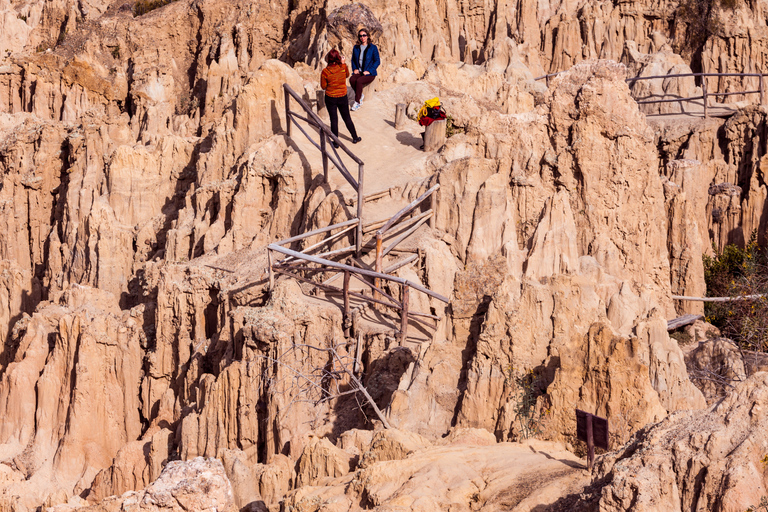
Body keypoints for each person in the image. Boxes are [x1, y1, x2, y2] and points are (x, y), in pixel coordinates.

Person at [321, 48, 361, 146]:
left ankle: (336, 142)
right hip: (342, 96)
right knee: (347, 118)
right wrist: (343, 63)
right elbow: (347, 75)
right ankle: (355, 137)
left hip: (330, 97)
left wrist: (331, 84)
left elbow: (323, 86)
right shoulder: (343, 68)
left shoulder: (325, 71)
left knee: (334, 120)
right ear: (338, 58)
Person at [349, 28, 380, 111]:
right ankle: (360, 95)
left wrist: (369, 70)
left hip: (370, 73)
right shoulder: (356, 47)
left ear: (367, 36)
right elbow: (353, 60)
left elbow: (377, 61)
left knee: (359, 81)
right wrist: (355, 69)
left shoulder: (373, 48)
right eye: (360, 36)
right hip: (359, 71)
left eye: (364, 35)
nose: (362, 37)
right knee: (352, 79)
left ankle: (357, 102)